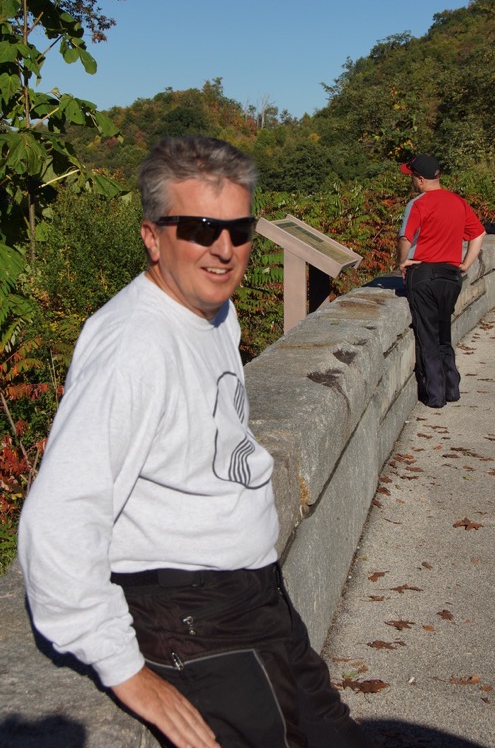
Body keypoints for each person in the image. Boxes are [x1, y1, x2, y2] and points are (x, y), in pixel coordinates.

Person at [18, 136, 367, 748]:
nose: (225, 249)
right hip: (191, 618)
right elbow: (56, 521)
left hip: (254, 595)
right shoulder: (133, 346)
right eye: (202, 228)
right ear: (153, 237)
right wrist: (129, 674)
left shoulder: (212, 313)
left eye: (240, 228)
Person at [397, 153, 485, 408]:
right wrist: (465, 264)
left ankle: (435, 395)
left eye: (412, 176)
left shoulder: (418, 204)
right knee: (444, 333)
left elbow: (405, 238)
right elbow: (478, 234)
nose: (411, 181)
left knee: (427, 336)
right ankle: (452, 388)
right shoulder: (458, 202)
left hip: (424, 276)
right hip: (451, 276)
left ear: (421, 179)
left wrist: (402, 262)